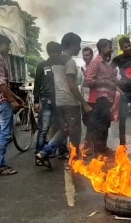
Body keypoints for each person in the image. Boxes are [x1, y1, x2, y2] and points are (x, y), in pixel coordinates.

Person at [36, 33, 91, 168]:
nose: (79, 48)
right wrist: (84, 104)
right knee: (75, 132)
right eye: (78, 45)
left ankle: (44, 153)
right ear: (71, 45)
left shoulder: (55, 61)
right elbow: (72, 85)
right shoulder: (69, 62)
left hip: (59, 101)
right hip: (70, 102)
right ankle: (74, 160)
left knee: (64, 130)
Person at [0, 34, 24, 175]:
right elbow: (1, 83)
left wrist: (15, 96)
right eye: (7, 45)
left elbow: (0, 83)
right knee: (6, 134)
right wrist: (12, 100)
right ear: (0, 44)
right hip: (2, 101)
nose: (8, 48)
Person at [33, 42, 68, 164]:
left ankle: (62, 152)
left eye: (57, 52)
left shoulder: (62, 65)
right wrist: (36, 101)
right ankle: (39, 153)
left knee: (62, 126)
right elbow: (37, 83)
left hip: (60, 99)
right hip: (46, 99)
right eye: (53, 52)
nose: (55, 54)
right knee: (44, 128)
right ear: (48, 52)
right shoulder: (42, 65)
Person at [85, 39, 118, 155]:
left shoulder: (107, 66)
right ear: (103, 48)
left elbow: (112, 80)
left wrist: (116, 82)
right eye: (109, 47)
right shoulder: (95, 62)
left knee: (105, 125)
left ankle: (103, 148)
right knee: (99, 127)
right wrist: (106, 83)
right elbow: (88, 80)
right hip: (100, 99)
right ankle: (98, 153)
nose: (111, 49)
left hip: (109, 100)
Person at [79, 47, 95, 155]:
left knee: (91, 123)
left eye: (87, 55)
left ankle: (89, 145)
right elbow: (80, 84)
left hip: (93, 99)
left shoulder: (95, 68)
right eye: (84, 55)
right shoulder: (81, 68)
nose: (85, 57)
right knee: (86, 122)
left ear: (92, 56)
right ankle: (89, 144)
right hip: (83, 99)